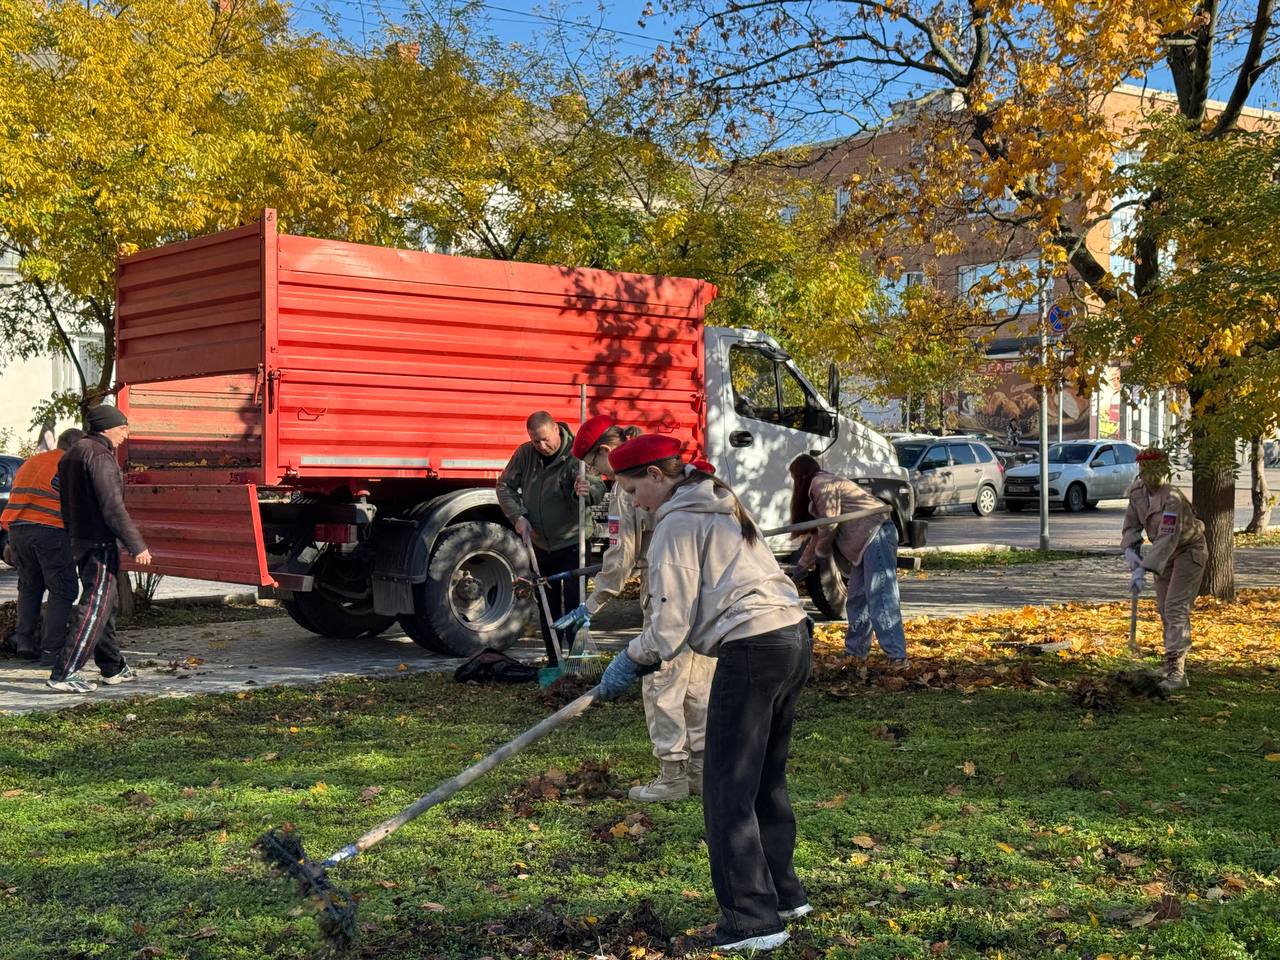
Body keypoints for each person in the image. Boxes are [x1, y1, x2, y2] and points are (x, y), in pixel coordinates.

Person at [593, 434, 811, 953]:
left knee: (726, 789)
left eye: (631, 489)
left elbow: (668, 629)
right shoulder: (717, 500)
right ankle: (784, 895)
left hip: (753, 648)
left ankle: (753, 922)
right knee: (763, 780)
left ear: (656, 475)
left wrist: (630, 658)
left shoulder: (678, 523)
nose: (632, 501)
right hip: (793, 637)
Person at [556, 414, 716, 802]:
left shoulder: (626, 488)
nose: (596, 474)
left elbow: (621, 555)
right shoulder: (684, 474)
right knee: (698, 686)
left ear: (607, 454)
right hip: (705, 598)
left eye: (594, 464)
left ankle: (672, 777)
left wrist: (593, 601)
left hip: (665, 591)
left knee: (661, 684)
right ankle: (700, 771)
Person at [47, 405, 152, 693]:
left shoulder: (72, 453)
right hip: (99, 541)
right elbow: (112, 507)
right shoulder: (100, 456)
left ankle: (112, 667)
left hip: (80, 538)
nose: (125, 435)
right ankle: (65, 672)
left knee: (106, 604)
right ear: (106, 428)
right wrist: (137, 545)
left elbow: (60, 493)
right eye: (122, 428)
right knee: (94, 606)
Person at [787, 455, 908, 668]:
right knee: (857, 599)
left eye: (794, 478)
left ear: (801, 475)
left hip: (875, 534)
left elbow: (828, 525)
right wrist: (800, 569)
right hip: (864, 543)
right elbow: (819, 533)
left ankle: (897, 657)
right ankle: (855, 654)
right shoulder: (821, 487)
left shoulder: (821, 484)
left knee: (880, 595)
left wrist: (822, 556)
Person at [497, 411, 604, 645]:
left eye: (545, 439)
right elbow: (504, 486)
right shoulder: (525, 454)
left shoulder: (578, 454)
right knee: (547, 605)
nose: (542, 446)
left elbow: (598, 487)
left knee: (576, 603)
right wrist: (518, 516)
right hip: (540, 544)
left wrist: (588, 490)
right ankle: (554, 661)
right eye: (536, 441)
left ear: (556, 429)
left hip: (574, 542)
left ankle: (578, 658)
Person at [1121, 448, 1206, 690]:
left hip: (1188, 551)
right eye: (1145, 470)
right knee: (1163, 609)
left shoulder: (1173, 498)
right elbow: (1131, 525)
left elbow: (1168, 536)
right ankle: (1170, 666)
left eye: (1155, 470)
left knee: (1175, 607)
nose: (1149, 475)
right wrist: (1131, 552)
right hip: (1164, 556)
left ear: (1165, 470)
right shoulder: (1137, 493)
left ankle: (1177, 672)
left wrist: (1144, 569)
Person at [0, 428, 84, 664]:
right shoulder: (67, 463)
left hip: (18, 531)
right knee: (63, 589)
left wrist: (8, 539)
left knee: (29, 586)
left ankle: (25, 641)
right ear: (75, 446)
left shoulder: (32, 462)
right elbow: (73, 502)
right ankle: (52, 650)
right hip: (49, 531)